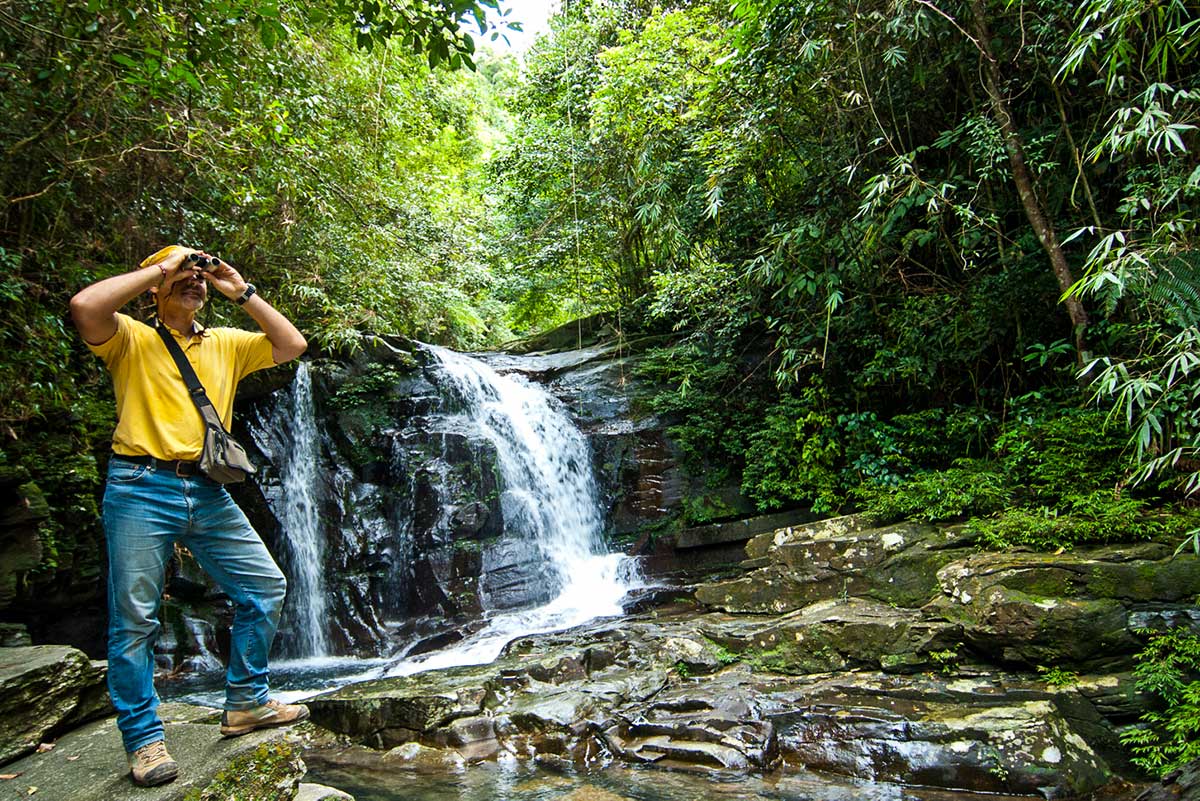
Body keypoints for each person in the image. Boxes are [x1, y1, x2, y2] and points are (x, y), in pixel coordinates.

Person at [69, 245, 310, 787]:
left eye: (197, 278)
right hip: (138, 486)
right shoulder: (130, 337)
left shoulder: (225, 343)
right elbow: (86, 306)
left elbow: (291, 344)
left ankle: (247, 702)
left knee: (265, 587)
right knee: (135, 620)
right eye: (183, 278)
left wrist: (239, 288)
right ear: (155, 289)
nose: (193, 282)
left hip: (207, 490)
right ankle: (145, 741)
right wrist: (164, 267)